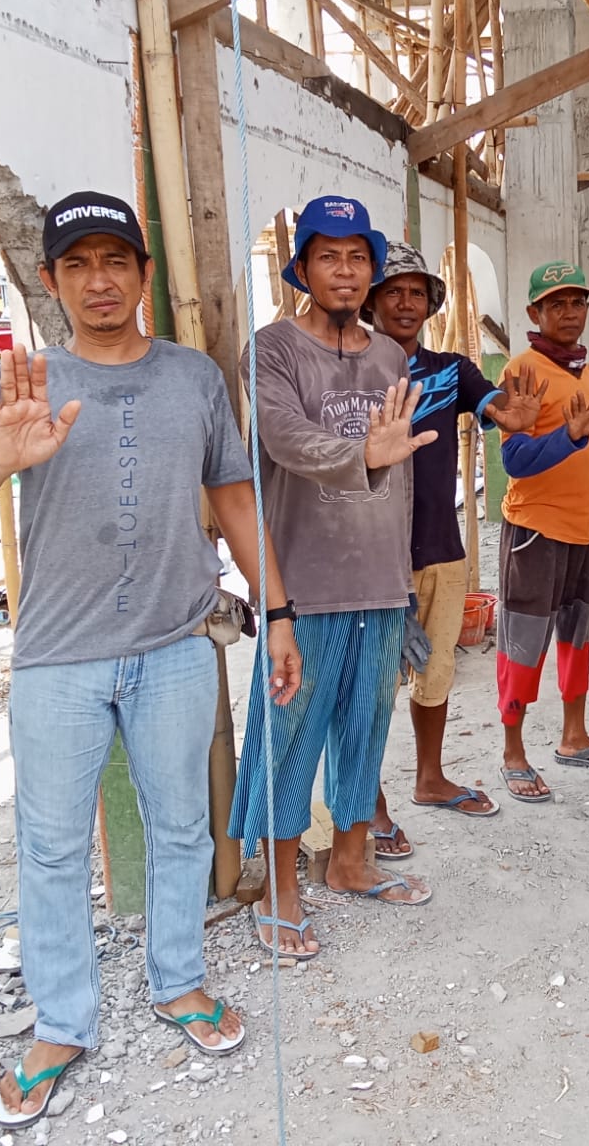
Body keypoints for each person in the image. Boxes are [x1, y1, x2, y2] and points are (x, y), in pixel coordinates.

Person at [0, 191, 301, 1129]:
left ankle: (178, 981)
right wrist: (0, 457)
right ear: (51, 281)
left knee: (182, 828)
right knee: (52, 846)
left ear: (143, 274)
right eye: (77, 265)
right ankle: (61, 1024)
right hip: (58, 657)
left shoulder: (193, 377)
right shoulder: (21, 378)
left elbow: (233, 494)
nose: (97, 281)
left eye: (114, 261)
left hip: (175, 644)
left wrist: (279, 610)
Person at [229, 196, 437, 962]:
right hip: (306, 587)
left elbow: (402, 479)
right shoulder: (273, 349)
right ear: (303, 268)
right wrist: (361, 456)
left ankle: (350, 860)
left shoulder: (391, 359)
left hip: (378, 585)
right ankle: (280, 889)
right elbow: (284, 438)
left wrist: (403, 586)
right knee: (288, 739)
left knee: (365, 730)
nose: (344, 271)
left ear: (371, 270)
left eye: (357, 257)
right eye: (328, 256)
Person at [361, 242, 543, 854]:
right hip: (371, 558)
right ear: (371, 303)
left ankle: (430, 778)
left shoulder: (451, 369)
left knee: (435, 673)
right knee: (372, 687)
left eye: (417, 292)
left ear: (430, 304)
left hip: (442, 547)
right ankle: (369, 801)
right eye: (393, 292)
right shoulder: (353, 373)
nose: (405, 302)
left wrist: (510, 413)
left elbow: (493, 402)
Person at [493, 261, 589, 801]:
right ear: (535, 313)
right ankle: (513, 752)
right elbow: (515, 460)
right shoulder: (521, 371)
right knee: (523, 645)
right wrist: (568, 438)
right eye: (556, 304)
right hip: (536, 532)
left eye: (577, 302)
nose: (569, 313)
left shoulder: (582, 369)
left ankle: (575, 736)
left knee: (576, 637)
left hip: (587, 528)